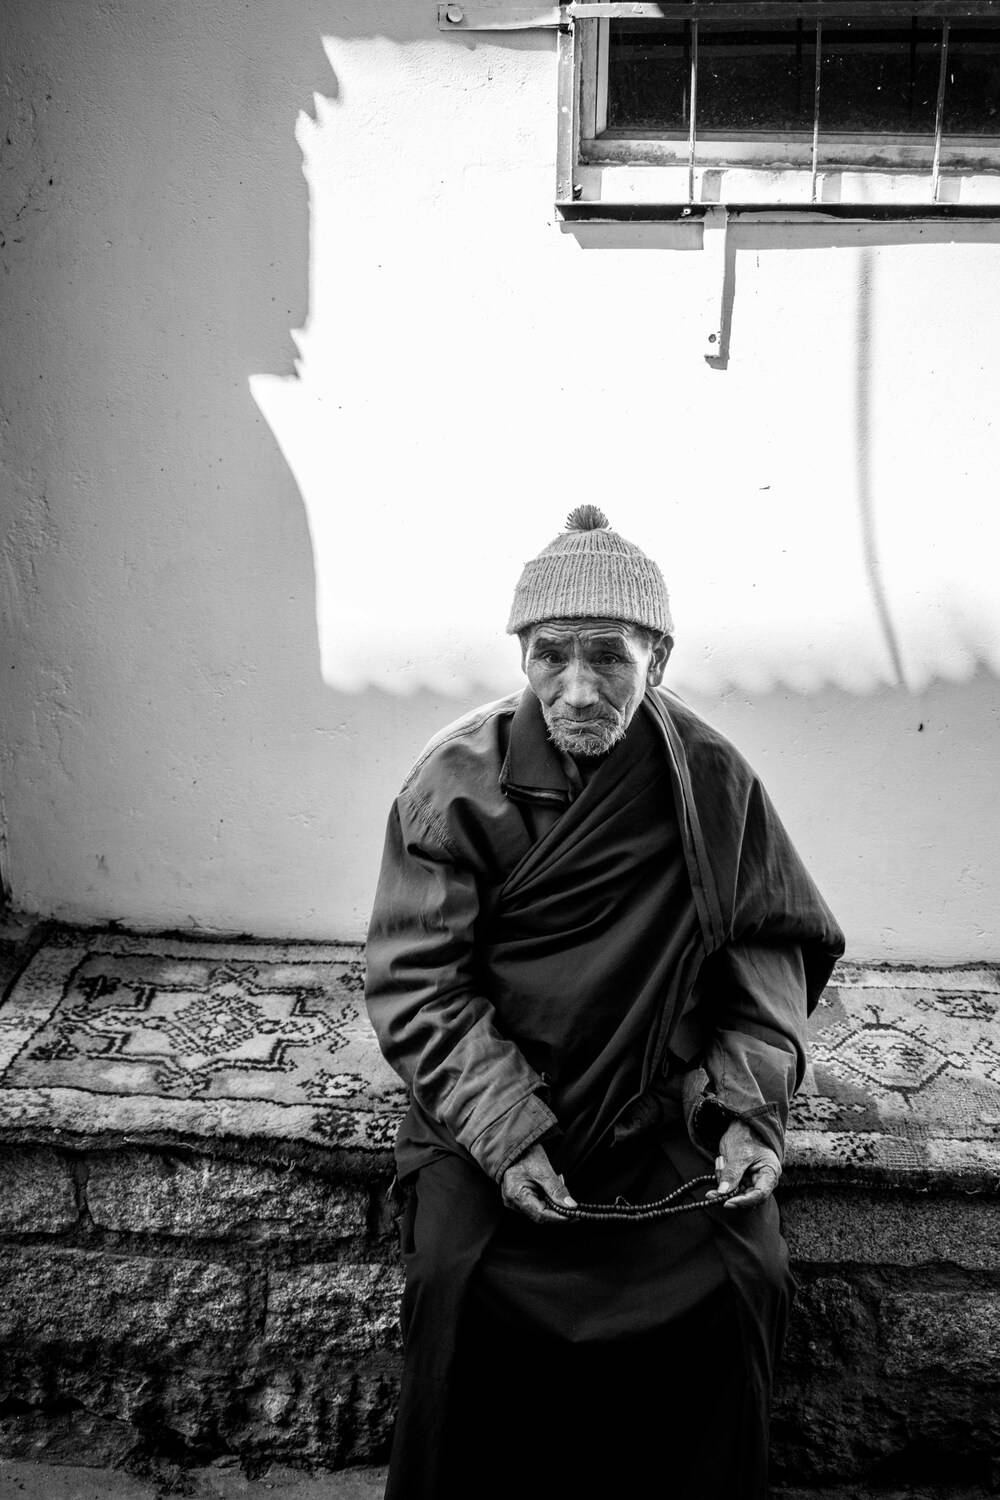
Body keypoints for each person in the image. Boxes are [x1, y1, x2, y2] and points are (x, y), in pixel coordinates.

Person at [364, 505, 844, 1500]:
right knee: (456, 1283)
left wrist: (747, 1112)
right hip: (492, 1109)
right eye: (551, 656)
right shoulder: (456, 785)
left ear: (657, 659)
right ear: (521, 657)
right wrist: (507, 1135)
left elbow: (764, 957)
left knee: (741, 1280)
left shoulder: (709, 780)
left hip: (655, 1108)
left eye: (607, 658)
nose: (577, 689)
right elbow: (420, 983)